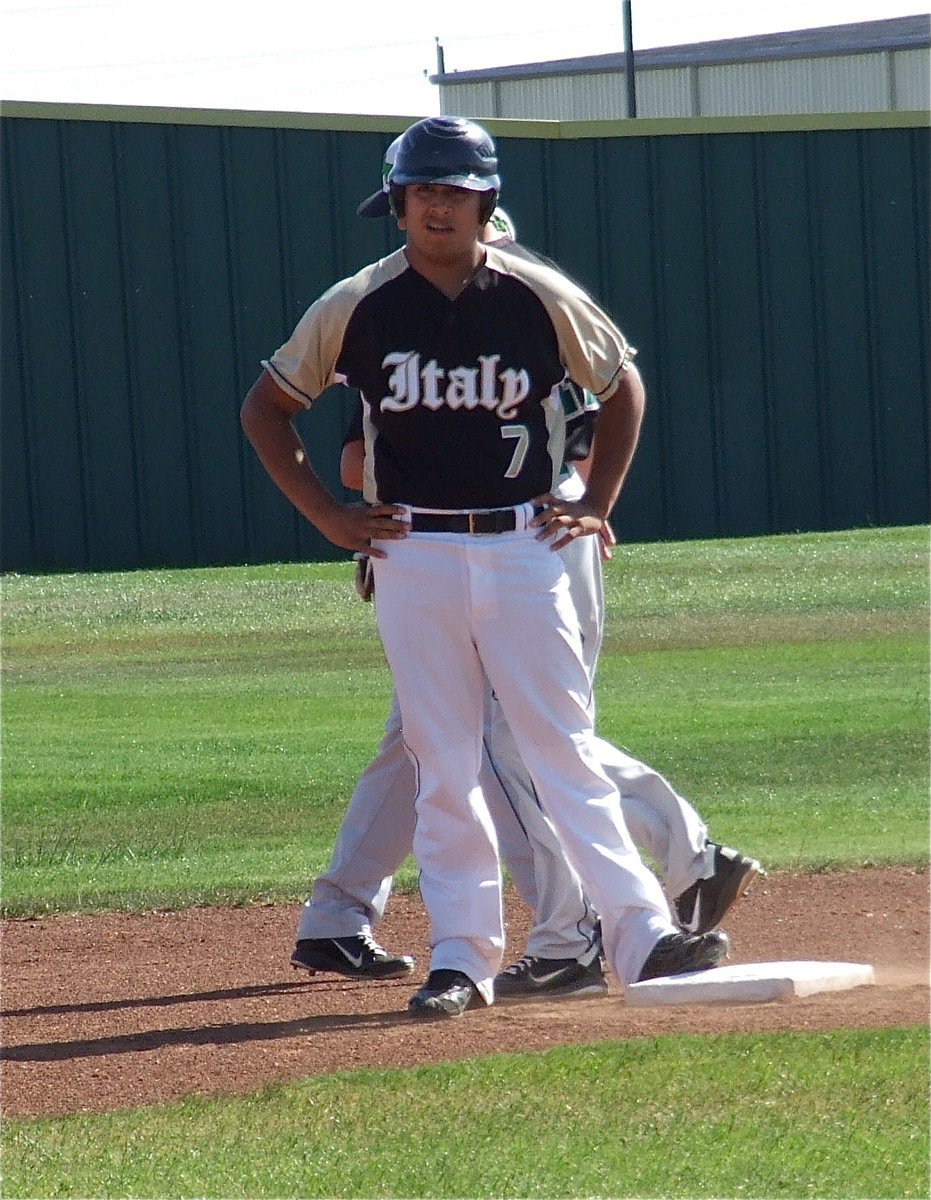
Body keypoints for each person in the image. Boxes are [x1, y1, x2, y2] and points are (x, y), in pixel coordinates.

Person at [241, 115, 729, 1018]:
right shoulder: (356, 303)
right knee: (442, 758)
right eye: (423, 188)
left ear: (485, 200)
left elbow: (621, 384)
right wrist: (327, 516)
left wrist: (595, 505)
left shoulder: (536, 293)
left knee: (559, 749)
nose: (438, 204)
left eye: (456, 189)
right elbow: (266, 407)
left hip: (523, 542)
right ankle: (460, 959)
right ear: (396, 204)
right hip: (413, 548)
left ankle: (640, 934)